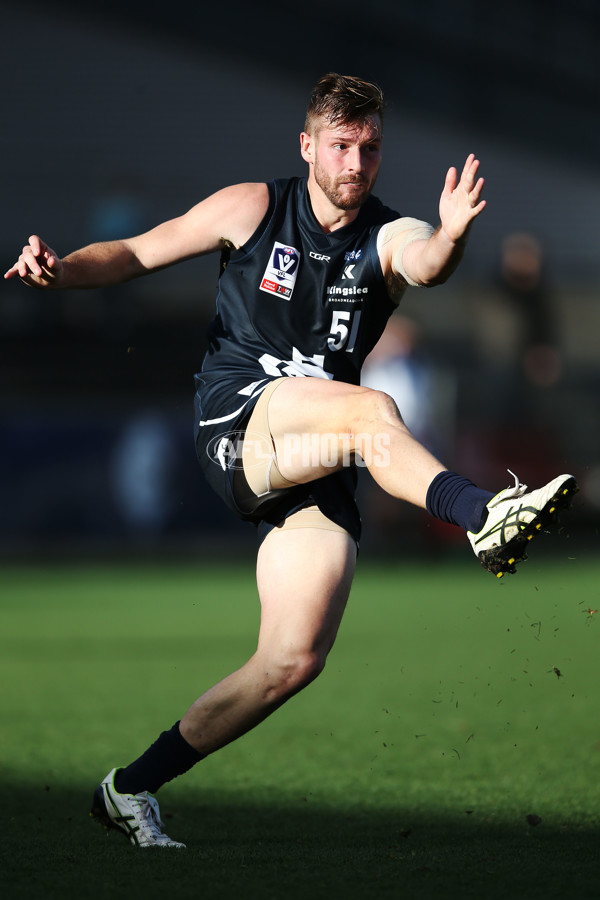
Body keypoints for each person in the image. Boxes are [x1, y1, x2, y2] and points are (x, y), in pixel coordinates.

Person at [5, 73, 577, 849]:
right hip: (239, 419)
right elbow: (140, 251)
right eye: (341, 145)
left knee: (291, 658)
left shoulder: (385, 233)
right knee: (373, 413)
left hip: (316, 450)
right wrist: (62, 270)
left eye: (370, 147)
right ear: (307, 146)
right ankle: (483, 515)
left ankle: (130, 787)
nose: (356, 161)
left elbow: (428, 261)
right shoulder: (251, 207)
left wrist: (450, 235)